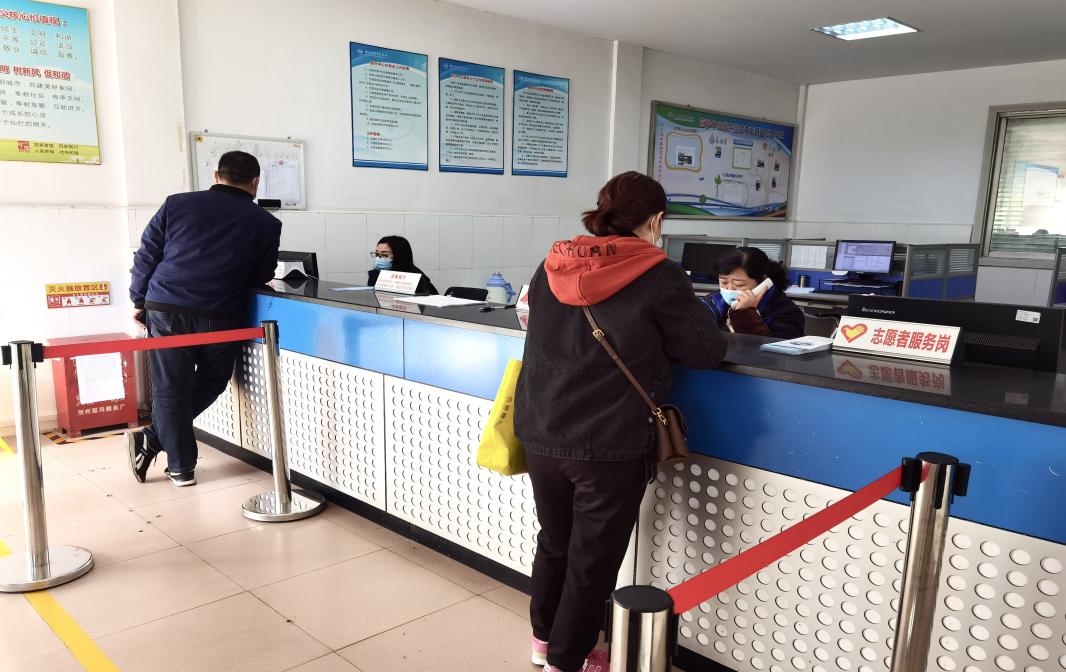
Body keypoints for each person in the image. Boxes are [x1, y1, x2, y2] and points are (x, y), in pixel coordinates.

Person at [514, 171, 727, 672]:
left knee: (554, 541)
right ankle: (568, 661)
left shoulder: (553, 262)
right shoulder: (658, 272)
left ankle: (544, 642)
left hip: (542, 427)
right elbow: (705, 352)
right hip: (609, 438)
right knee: (591, 559)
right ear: (656, 219)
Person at [127, 151, 281, 486]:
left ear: (216, 175)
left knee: (171, 388)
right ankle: (171, 454)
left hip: (167, 306)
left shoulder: (177, 204)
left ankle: (169, 455)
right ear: (256, 182)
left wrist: (138, 299)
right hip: (222, 312)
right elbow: (261, 274)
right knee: (214, 380)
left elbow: (147, 254)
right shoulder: (267, 223)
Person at [701, 247, 805, 339]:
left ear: (762, 282)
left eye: (739, 284)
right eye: (724, 282)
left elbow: (775, 350)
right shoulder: (711, 302)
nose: (729, 289)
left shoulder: (785, 312)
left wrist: (745, 314)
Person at [367, 235, 438, 295]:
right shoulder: (375, 275)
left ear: (399, 256)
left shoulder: (415, 278)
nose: (378, 259)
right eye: (377, 254)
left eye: (384, 255)